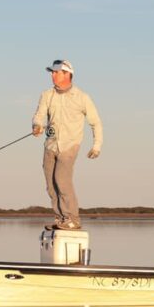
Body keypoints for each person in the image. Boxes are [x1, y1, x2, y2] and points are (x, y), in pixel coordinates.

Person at [32, 59, 103, 230]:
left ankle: (73, 219)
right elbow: (39, 115)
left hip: (70, 145)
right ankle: (61, 218)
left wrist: (96, 146)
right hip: (50, 146)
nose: (52, 75)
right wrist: (37, 125)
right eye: (52, 72)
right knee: (51, 185)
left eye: (56, 72)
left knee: (62, 180)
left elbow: (95, 122)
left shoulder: (82, 97)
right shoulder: (46, 95)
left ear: (67, 74)